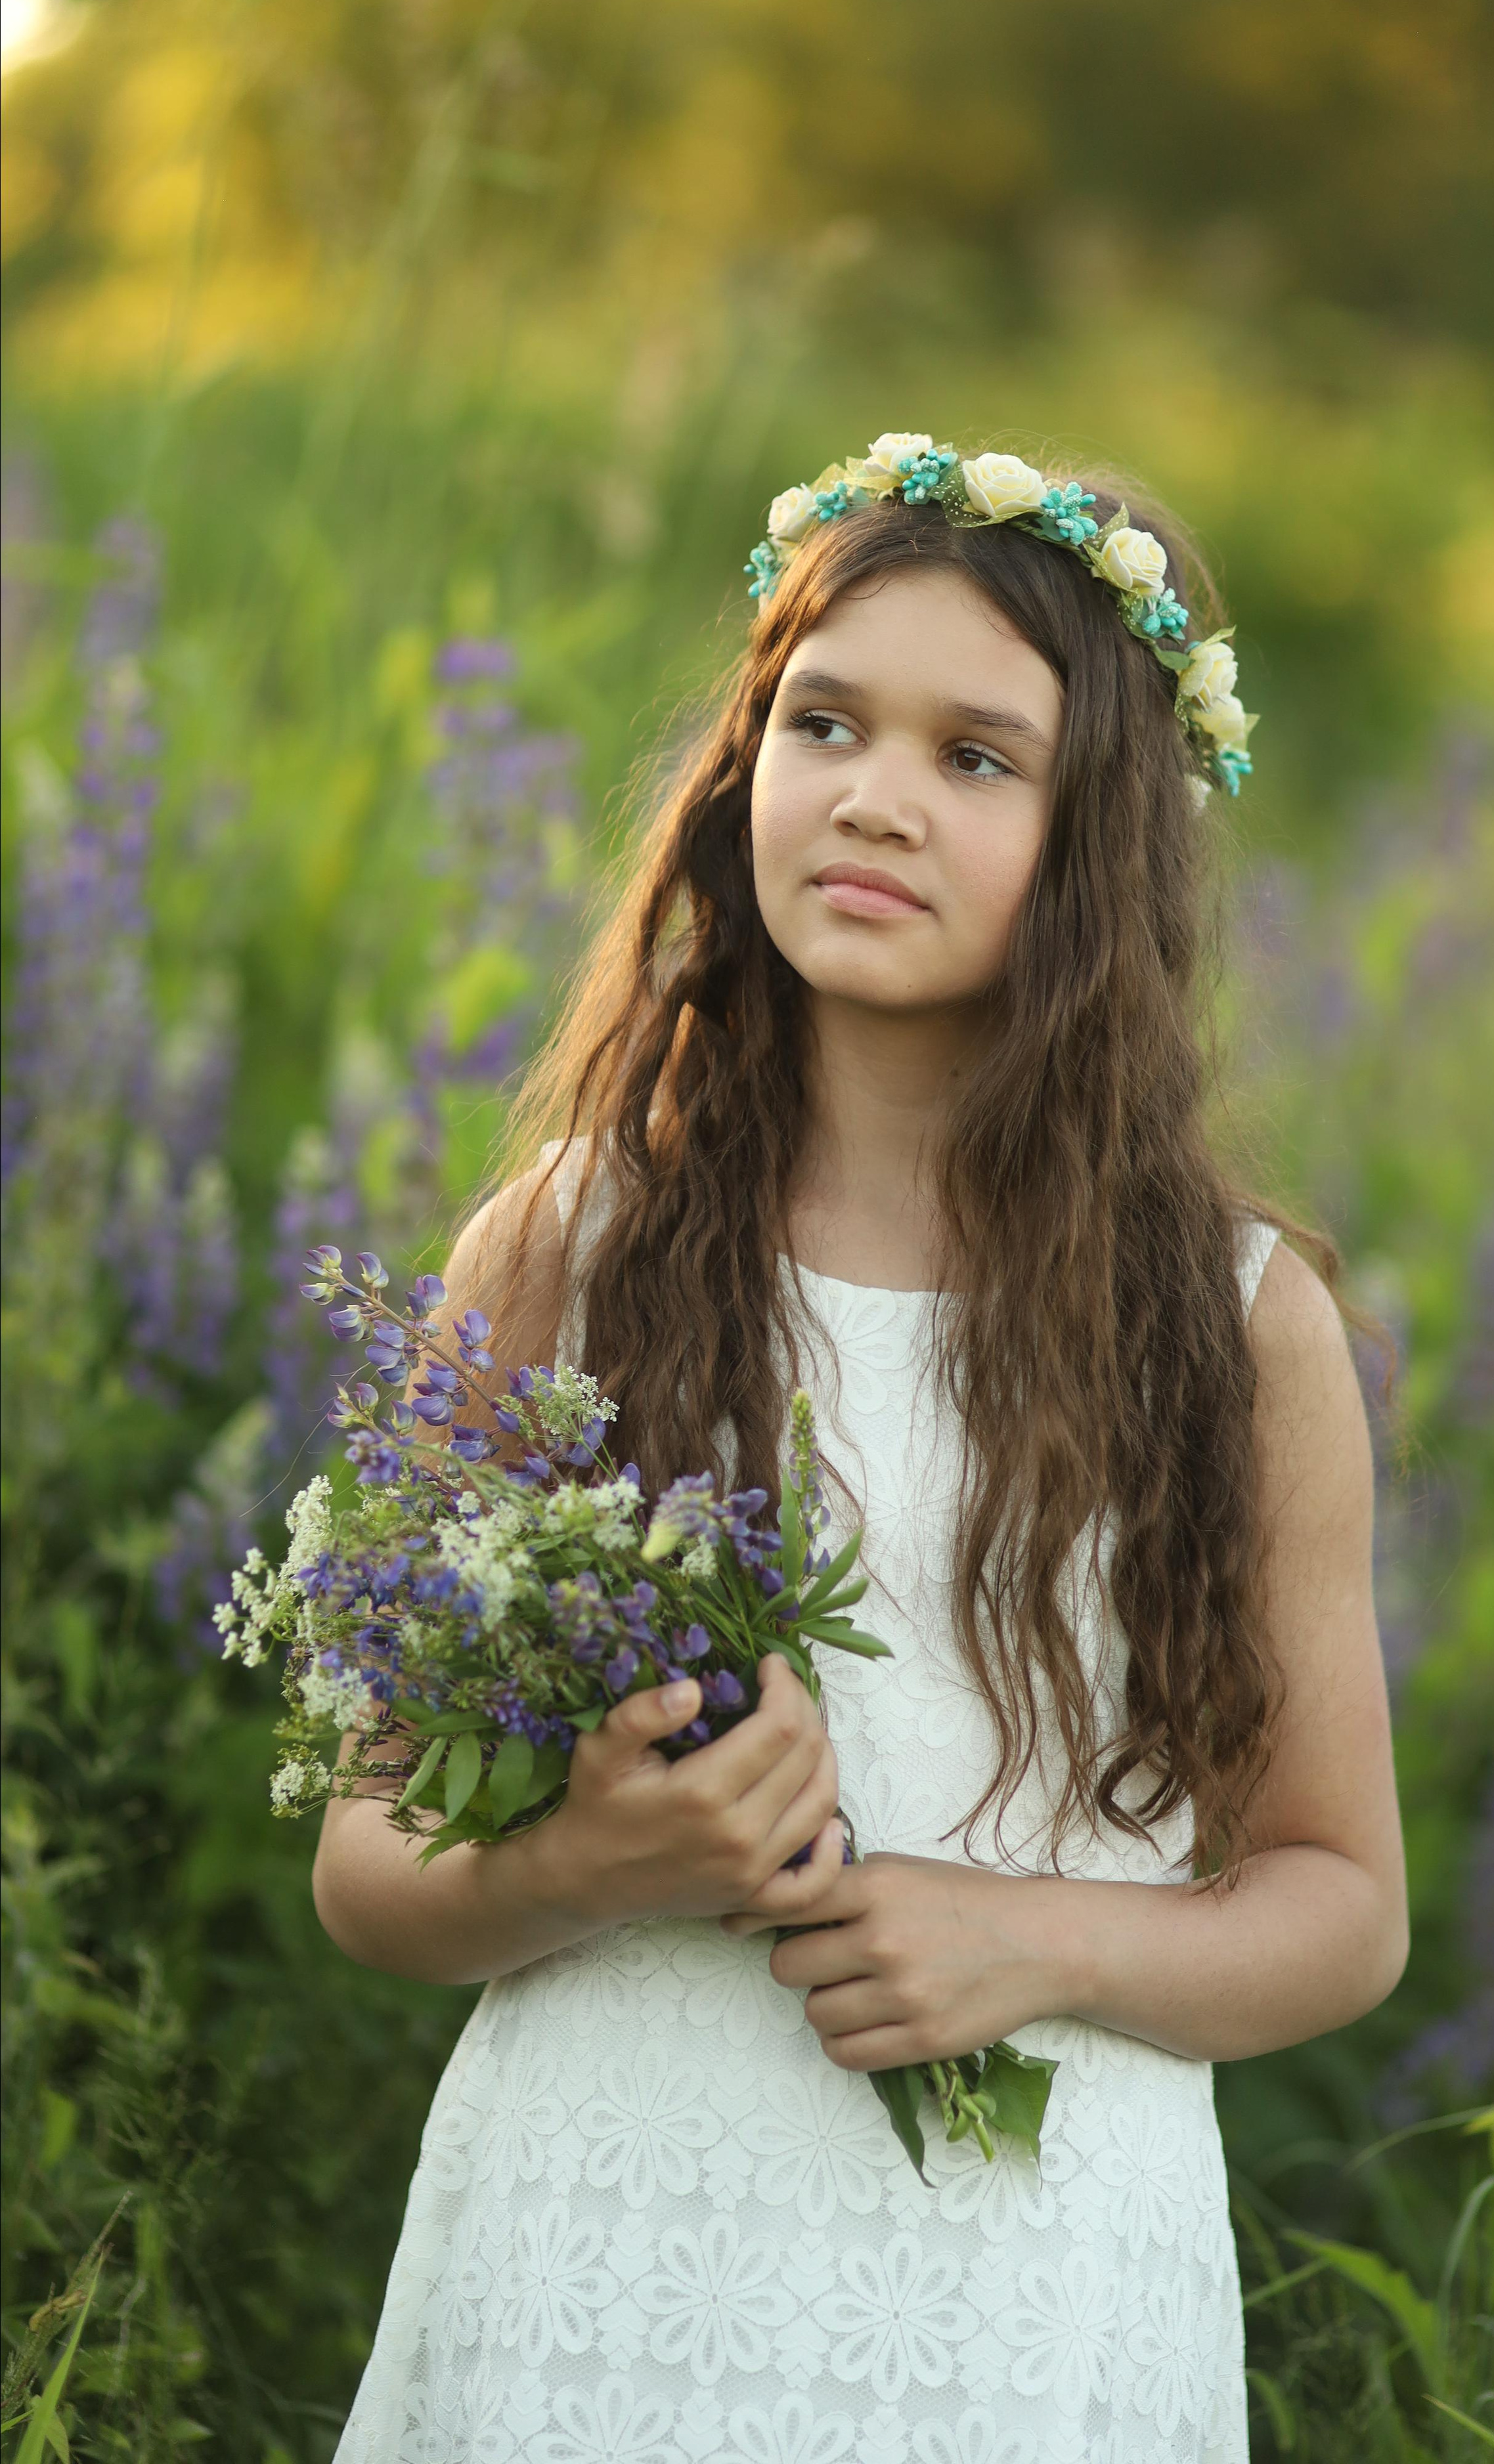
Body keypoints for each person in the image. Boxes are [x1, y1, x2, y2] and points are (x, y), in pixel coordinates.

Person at [320, 436, 1408, 2463]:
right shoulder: (567, 1251)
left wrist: (1033, 1936)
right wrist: (592, 1858)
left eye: (978, 757)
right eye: (825, 722)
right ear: (745, 766)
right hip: (593, 2251)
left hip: (1027, 2303)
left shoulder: (1233, 1325)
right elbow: (368, 1865)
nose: (877, 795)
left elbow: (1342, 1903)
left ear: (1106, 842)